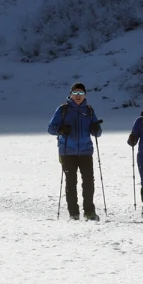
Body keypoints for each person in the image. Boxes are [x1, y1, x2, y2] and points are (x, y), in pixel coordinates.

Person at [47, 82, 103, 220]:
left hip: (85, 151)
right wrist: (60, 130)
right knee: (71, 182)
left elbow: (97, 131)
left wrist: (96, 130)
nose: (78, 96)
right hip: (67, 151)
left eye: (81, 93)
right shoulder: (63, 109)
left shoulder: (89, 110)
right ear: (71, 94)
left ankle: (89, 212)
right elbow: (50, 128)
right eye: (76, 93)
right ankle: (74, 213)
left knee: (88, 182)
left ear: (85, 95)